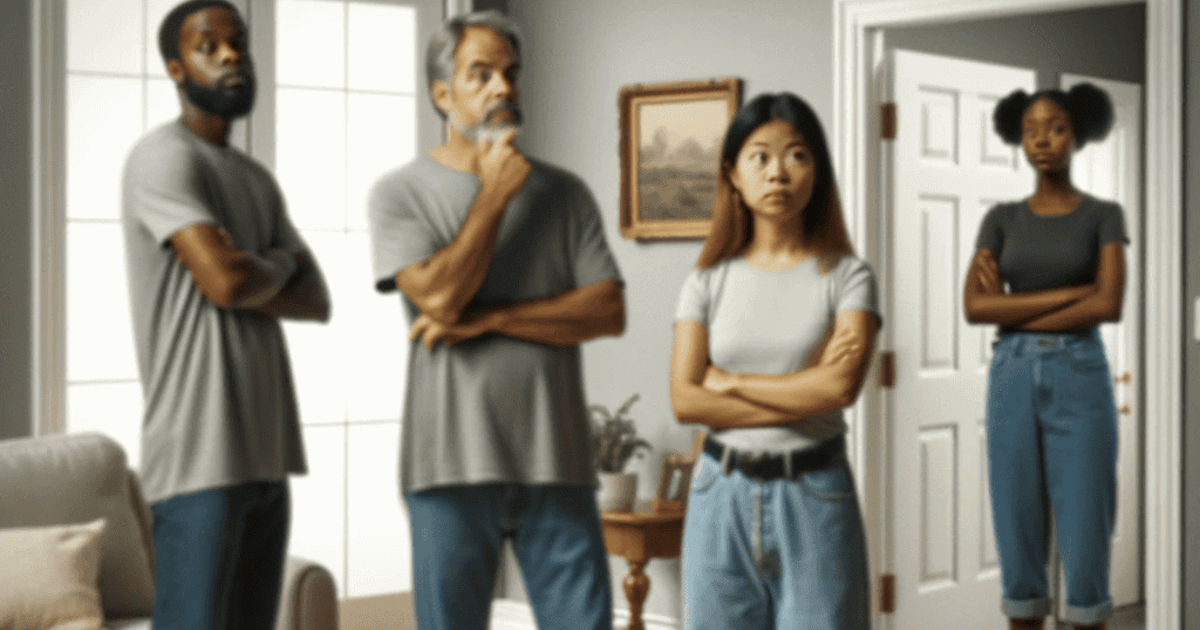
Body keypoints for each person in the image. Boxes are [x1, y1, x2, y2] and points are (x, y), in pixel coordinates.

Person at [366, 10, 625, 630]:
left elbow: (606, 310)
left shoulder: (566, 193)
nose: (502, 88)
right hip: (448, 464)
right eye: (480, 74)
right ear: (442, 94)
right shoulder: (399, 193)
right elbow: (439, 301)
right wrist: (493, 195)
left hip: (557, 460)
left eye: (510, 73)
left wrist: (493, 318)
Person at [121, 1, 331, 628]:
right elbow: (225, 281)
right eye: (208, 46)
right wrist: (273, 265)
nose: (231, 54)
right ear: (175, 68)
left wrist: (249, 267)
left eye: (237, 41)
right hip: (197, 461)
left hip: (265, 458)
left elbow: (316, 299)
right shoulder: (163, 158)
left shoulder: (255, 179)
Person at [670, 92, 880, 630]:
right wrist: (802, 392)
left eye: (797, 155)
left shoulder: (848, 277)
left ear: (817, 171)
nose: (778, 172)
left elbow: (838, 390)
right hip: (718, 494)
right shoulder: (705, 282)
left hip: (815, 496)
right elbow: (686, 400)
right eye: (759, 156)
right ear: (733, 174)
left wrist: (731, 382)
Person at [963, 83, 1124, 630]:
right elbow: (974, 307)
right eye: (1029, 130)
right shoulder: (1000, 218)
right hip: (1009, 375)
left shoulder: (1104, 215)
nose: (1041, 140)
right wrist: (1072, 295)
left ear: (1078, 134)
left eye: (1055, 128)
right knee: (1016, 531)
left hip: (1080, 372)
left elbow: (1108, 304)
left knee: (1086, 535)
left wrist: (1011, 310)